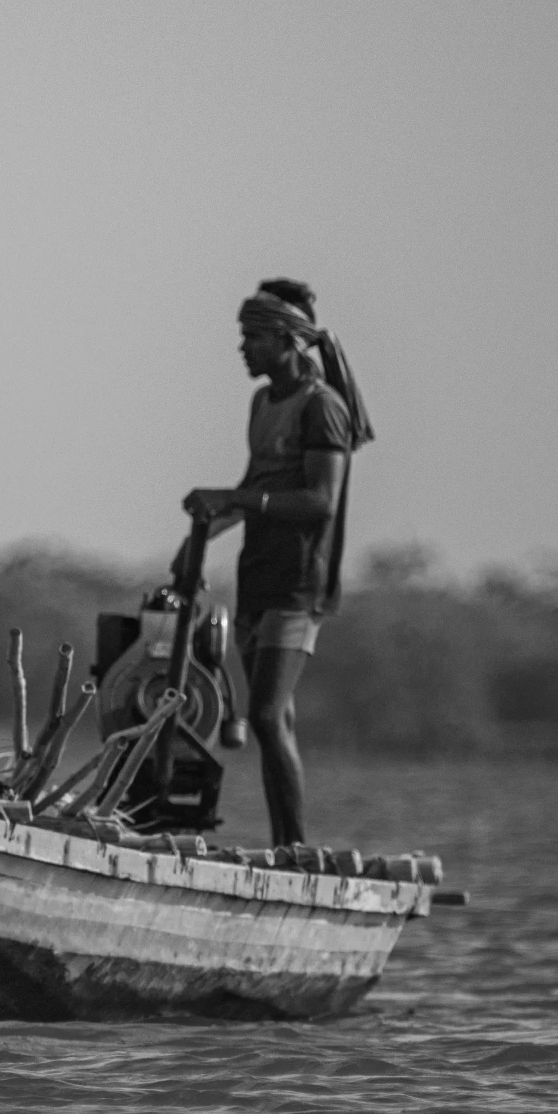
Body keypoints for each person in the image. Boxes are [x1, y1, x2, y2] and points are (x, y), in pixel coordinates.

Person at [180, 279, 373, 848]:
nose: (243, 349)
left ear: (289, 342)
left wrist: (236, 500)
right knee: (275, 721)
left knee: (265, 715)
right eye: (243, 337)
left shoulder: (324, 409)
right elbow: (253, 486)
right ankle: (286, 845)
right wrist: (200, 536)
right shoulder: (263, 404)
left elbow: (321, 502)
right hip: (257, 576)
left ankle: (294, 849)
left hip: (300, 583)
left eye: (254, 338)